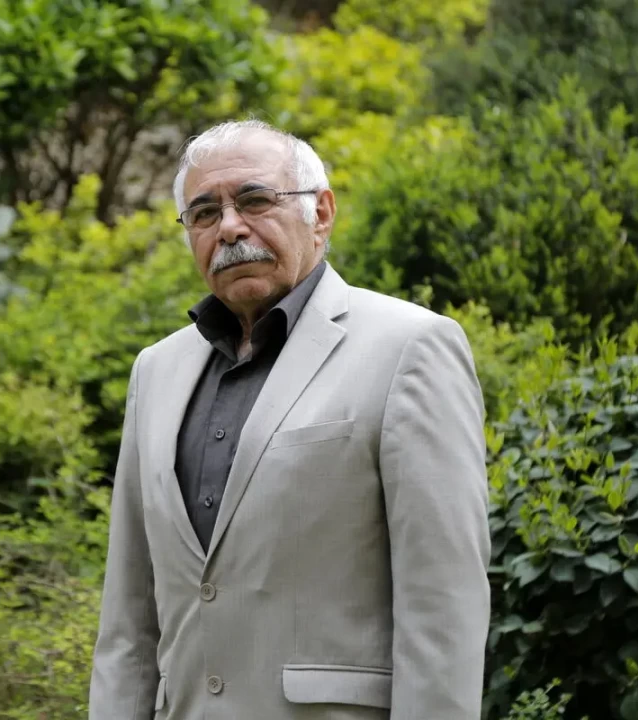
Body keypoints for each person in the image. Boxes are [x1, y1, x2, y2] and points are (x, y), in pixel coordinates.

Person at [88, 119, 491, 719]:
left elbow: (444, 606)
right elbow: (128, 621)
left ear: (321, 213)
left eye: (255, 200)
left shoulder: (410, 347)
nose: (229, 227)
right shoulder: (156, 371)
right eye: (204, 213)